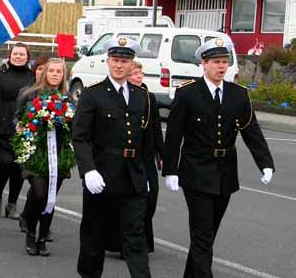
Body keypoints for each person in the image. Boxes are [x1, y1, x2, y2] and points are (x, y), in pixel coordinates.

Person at [163, 38, 274, 278]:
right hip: (196, 172)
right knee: (202, 234)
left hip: (224, 174)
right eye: (216, 62)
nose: (221, 67)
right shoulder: (188, 93)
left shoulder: (238, 95)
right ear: (204, 64)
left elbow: (251, 132)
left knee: (207, 234)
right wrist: (170, 170)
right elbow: (173, 136)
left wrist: (265, 164)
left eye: (225, 62)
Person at [73, 36, 152, 278]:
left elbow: (145, 140)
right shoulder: (92, 95)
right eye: (115, 60)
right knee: (94, 234)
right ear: (108, 61)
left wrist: (149, 175)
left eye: (125, 61)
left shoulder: (142, 96)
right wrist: (88, 170)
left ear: (132, 64)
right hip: (103, 174)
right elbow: (80, 136)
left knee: (135, 235)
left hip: (133, 177)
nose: (119, 65)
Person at [13, 58, 74, 256]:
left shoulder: (68, 100)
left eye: (59, 71)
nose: (55, 74)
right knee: (39, 193)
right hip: (34, 151)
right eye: (52, 71)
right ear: (44, 73)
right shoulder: (29, 94)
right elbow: (17, 115)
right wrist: (20, 125)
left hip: (59, 153)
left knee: (50, 197)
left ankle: (42, 236)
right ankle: (30, 231)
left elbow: (76, 126)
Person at [120, 59, 164, 254]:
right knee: (128, 202)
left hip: (146, 157)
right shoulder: (119, 97)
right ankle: (126, 243)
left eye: (141, 73)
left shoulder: (149, 98)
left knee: (150, 199)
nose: (139, 77)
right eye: (135, 74)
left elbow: (156, 130)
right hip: (125, 157)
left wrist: (161, 154)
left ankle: (142, 239)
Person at [0, 44, 34, 221]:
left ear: (27, 57)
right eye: (15, 54)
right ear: (9, 56)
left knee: (18, 168)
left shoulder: (32, 77)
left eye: (22, 54)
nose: (18, 57)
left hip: (23, 128)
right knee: (4, 163)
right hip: (1, 127)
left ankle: (12, 204)